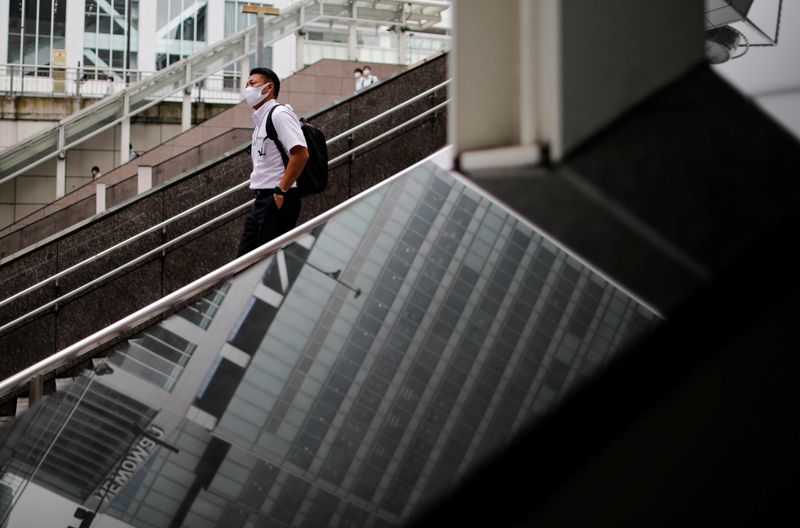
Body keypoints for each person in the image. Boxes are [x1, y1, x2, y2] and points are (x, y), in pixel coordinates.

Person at [236, 67, 309, 258]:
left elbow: (301, 153)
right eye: (247, 85)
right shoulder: (260, 121)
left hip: (278, 197)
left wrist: (280, 191)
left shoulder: (279, 114)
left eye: (253, 84)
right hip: (262, 199)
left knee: (264, 263)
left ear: (269, 88)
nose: (248, 89)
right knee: (244, 261)